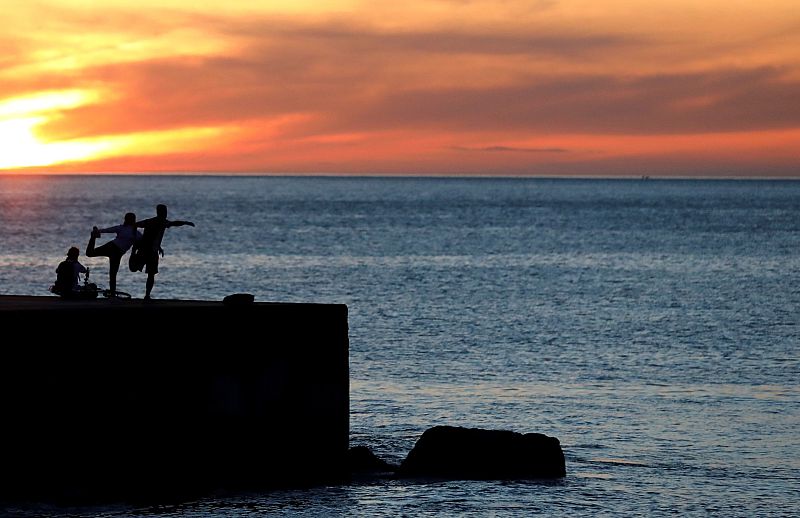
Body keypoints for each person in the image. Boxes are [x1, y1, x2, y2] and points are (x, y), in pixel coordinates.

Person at [132, 204, 195, 300]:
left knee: (147, 272)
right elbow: (174, 223)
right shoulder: (162, 222)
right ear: (161, 212)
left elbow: (135, 225)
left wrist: (137, 240)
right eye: (164, 212)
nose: (166, 213)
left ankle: (147, 295)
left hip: (146, 249)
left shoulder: (149, 221)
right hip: (150, 251)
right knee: (149, 274)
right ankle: (147, 295)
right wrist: (186, 222)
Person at [86, 212, 142, 295]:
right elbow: (109, 230)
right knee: (90, 253)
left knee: (113, 273)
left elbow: (144, 242)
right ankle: (93, 237)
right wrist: (98, 231)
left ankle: (112, 293)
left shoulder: (136, 233)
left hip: (117, 252)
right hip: (112, 247)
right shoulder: (122, 228)